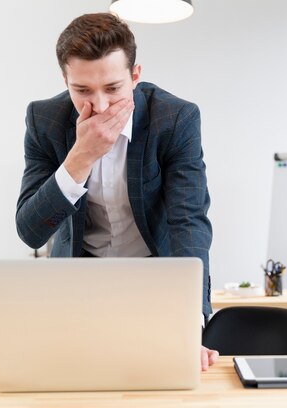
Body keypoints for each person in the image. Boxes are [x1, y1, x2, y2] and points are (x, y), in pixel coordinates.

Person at [15, 13, 218, 370]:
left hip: (156, 279)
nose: (101, 106)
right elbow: (31, 231)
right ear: (65, 79)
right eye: (82, 91)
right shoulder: (45, 120)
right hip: (78, 283)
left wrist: (191, 320)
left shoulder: (174, 119)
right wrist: (80, 157)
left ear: (135, 76)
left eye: (113, 88)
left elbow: (187, 222)